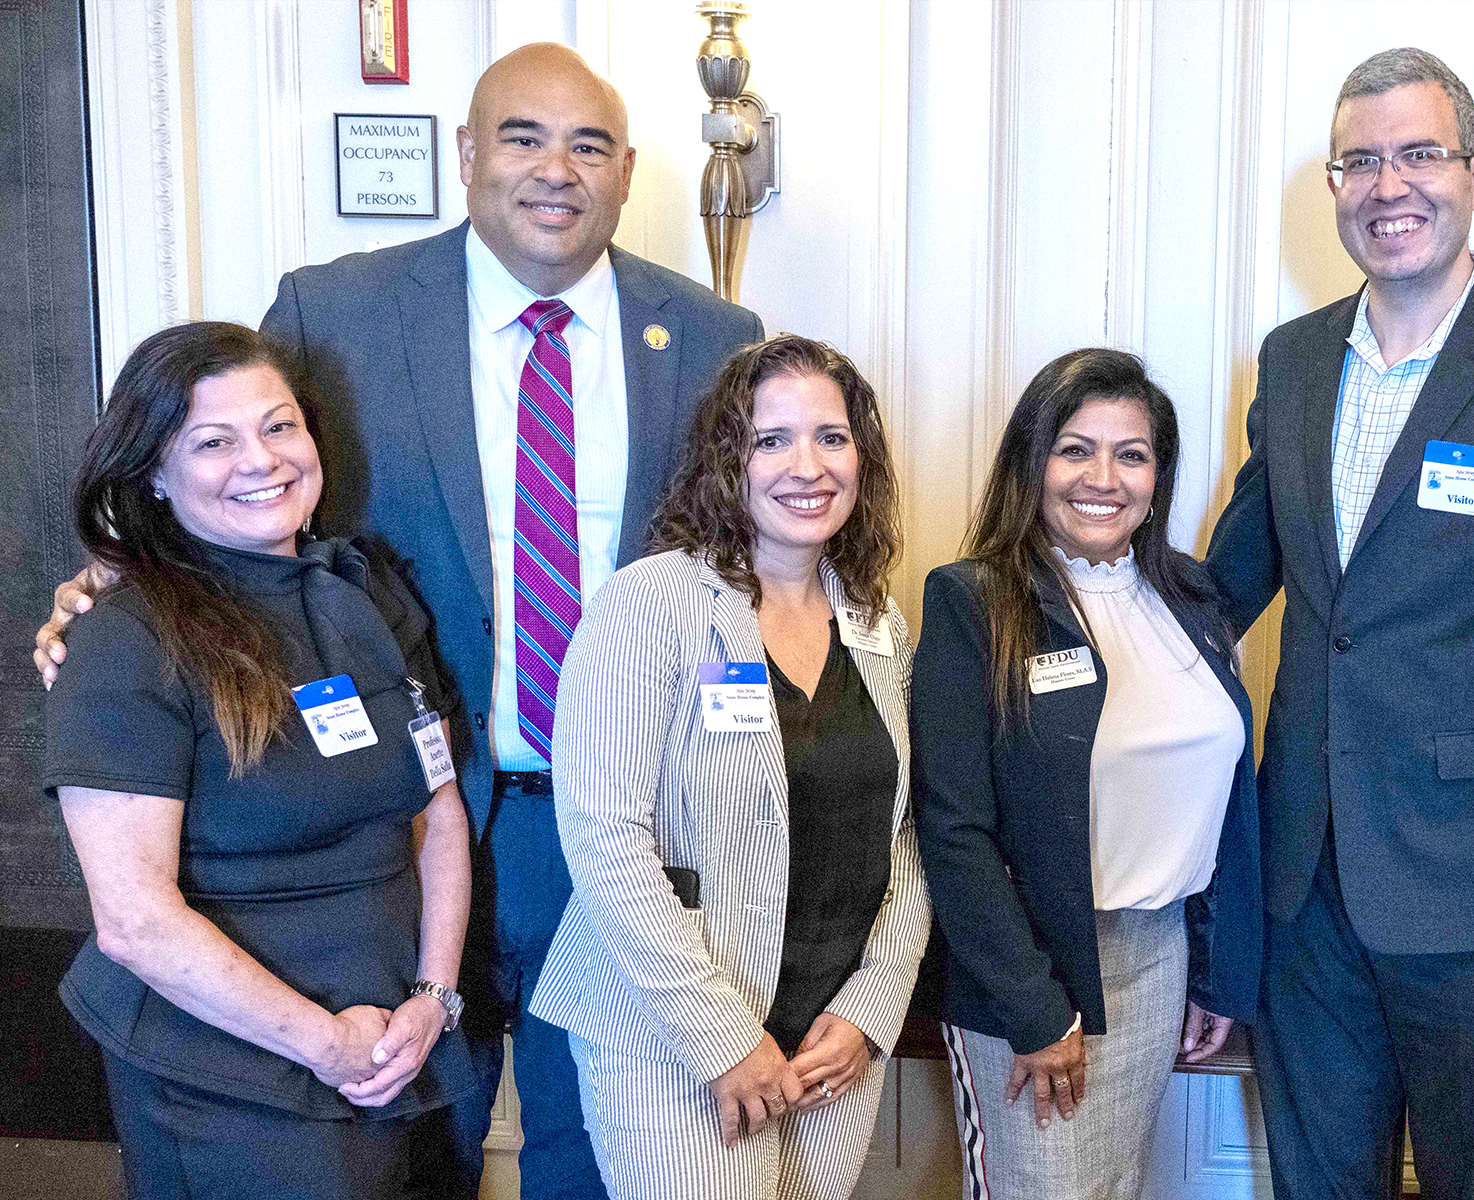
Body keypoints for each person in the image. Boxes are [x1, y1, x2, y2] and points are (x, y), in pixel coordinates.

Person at [35, 43, 763, 1195]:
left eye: (587, 145)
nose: (553, 170)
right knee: (409, 1140)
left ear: (626, 172)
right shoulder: (336, 313)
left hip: (624, 822)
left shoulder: (714, 336)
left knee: (607, 1144)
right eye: (522, 136)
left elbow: (751, 550)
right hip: (411, 823)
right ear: (468, 154)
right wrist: (119, 574)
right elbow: (230, 458)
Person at [1203, 47, 1474, 1198]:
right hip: (1304, 884)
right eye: (1361, 161)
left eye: (1419, 154)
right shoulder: (1296, 363)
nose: (1388, 185)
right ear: (1335, 188)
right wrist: (1063, 576)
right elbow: (1232, 580)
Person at [43, 321, 474, 1198]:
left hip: (402, 1049)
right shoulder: (124, 640)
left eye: (280, 426)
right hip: (237, 1083)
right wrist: (326, 1043)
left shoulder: (360, 593)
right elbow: (134, 921)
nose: (261, 459)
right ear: (152, 473)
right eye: (213, 441)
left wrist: (434, 996)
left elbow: (436, 812)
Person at [526, 335, 928, 1200]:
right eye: (770, 439)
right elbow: (605, 839)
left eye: (832, 436)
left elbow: (910, 836)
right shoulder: (650, 601)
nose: (806, 465)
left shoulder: (878, 623)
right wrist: (723, 1040)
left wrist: (871, 1007)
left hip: (830, 1036)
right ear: (726, 461)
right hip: (673, 1031)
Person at [912, 349, 1262, 1200]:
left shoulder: (1191, 599)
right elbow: (952, 830)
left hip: (1159, 953)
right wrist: (1034, 1010)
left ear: (1157, 474)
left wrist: (1214, 972)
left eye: (1131, 454)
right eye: (1075, 449)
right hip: (1033, 968)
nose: (1103, 478)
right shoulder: (975, 602)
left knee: (1114, 1187)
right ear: (1031, 463)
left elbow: (1218, 802)